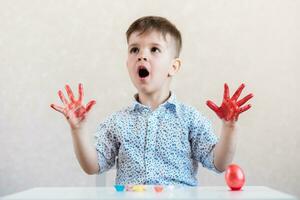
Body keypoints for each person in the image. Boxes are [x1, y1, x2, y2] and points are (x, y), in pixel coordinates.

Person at [50, 16, 253, 186]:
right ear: (127, 63)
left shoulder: (189, 118)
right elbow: (92, 166)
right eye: (134, 49)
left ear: (173, 66)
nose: (142, 56)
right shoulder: (117, 122)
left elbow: (219, 163)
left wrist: (229, 126)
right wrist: (78, 130)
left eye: (154, 49)